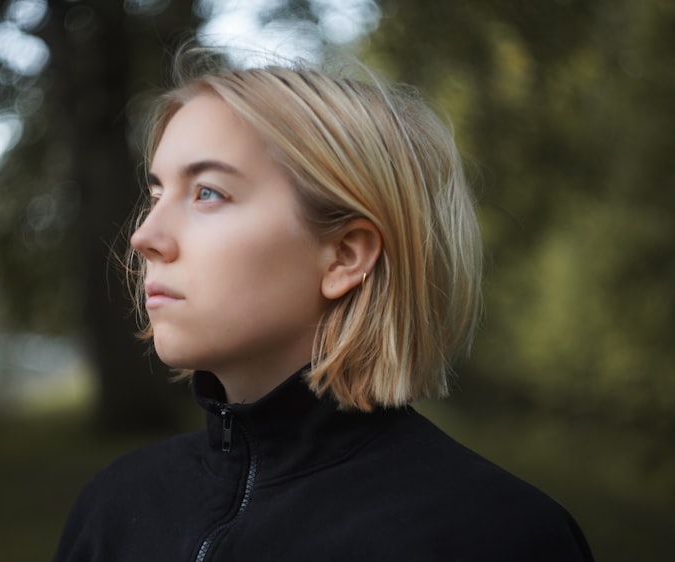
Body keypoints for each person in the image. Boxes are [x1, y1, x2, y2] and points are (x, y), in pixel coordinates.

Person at [53, 50, 594, 562]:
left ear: (344, 255)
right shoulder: (113, 509)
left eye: (207, 193)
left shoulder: (496, 536)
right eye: (154, 196)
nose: (144, 236)